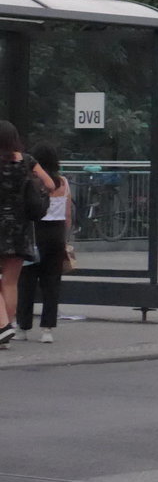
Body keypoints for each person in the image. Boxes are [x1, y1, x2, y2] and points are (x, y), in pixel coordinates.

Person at [0, 121, 55, 349]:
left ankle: (3, 328)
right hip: (21, 229)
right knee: (11, 282)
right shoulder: (27, 161)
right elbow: (50, 184)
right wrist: (32, 192)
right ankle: (8, 326)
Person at [17, 143, 72, 343]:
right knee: (52, 283)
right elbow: (67, 215)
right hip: (56, 235)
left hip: (34, 233)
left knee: (26, 282)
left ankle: (22, 328)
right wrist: (65, 240)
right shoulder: (63, 182)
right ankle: (47, 330)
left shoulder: (32, 181)